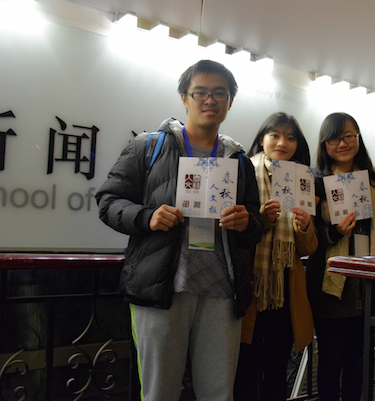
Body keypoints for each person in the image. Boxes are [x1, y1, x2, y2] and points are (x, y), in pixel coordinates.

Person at [95, 59, 263, 401]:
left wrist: (247, 222)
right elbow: (108, 201)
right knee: (159, 392)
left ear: (230, 102)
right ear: (184, 98)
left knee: (219, 393)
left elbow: (255, 224)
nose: (210, 100)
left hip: (222, 293)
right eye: (200, 92)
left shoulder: (239, 160)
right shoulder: (148, 147)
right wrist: (147, 217)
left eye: (220, 93)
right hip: (162, 290)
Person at [234, 113, 317, 400]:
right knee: (245, 369)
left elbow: (308, 248)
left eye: (290, 137)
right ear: (262, 139)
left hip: (285, 289)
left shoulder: (300, 179)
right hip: (251, 286)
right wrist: (261, 221)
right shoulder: (244, 172)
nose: (282, 142)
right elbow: (234, 231)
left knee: (277, 369)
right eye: (275, 135)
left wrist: (304, 227)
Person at [305, 112, 375, 401]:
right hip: (330, 281)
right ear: (324, 143)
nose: (342, 143)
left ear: (358, 138)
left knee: (358, 360)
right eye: (335, 138)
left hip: (365, 280)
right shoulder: (316, 182)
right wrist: (335, 231)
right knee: (330, 358)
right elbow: (309, 235)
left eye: (349, 136)